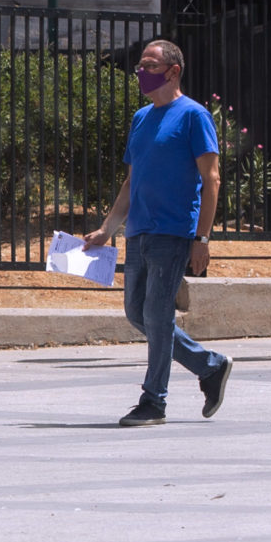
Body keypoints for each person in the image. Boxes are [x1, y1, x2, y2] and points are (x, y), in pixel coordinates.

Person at [84, 39, 233, 425]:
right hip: (139, 232)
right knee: (138, 313)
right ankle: (210, 365)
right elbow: (131, 182)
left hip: (173, 233)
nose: (141, 73)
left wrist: (201, 240)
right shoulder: (141, 118)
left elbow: (211, 179)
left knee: (157, 312)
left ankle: (154, 401)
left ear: (173, 71)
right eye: (139, 66)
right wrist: (106, 229)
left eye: (149, 65)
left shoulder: (194, 116)